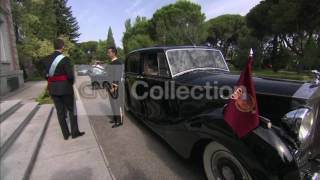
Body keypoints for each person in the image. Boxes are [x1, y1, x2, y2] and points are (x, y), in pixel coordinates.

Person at [42, 39, 85, 140]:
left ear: (54, 46)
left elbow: (44, 74)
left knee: (60, 112)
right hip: (65, 89)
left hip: (53, 89)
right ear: (62, 47)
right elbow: (70, 76)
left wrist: (51, 81)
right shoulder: (65, 59)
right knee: (72, 110)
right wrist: (70, 83)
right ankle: (75, 133)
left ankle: (65, 134)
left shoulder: (46, 59)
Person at [106, 47, 124, 128]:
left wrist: (114, 87)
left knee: (117, 104)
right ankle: (115, 118)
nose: (108, 54)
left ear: (114, 53)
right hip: (110, 87)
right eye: (108, 52)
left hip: (115, 87)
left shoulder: (117, 62)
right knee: (113, 104)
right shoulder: (112, 62)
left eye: (109, 52)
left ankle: (119, 121)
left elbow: (117, 75)